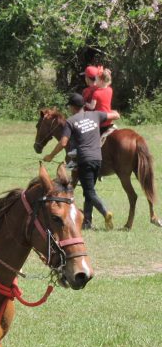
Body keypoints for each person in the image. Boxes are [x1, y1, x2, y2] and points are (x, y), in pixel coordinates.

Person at [43, 93, 120, 230]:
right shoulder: (96, 115)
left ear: (72, 107)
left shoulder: (71, 121)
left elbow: (63, 142)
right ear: (83, 105)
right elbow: (115, 116)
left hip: (84, 160)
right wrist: (114, 112)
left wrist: (51, 155)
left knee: (89, 192)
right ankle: (87, 222)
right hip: (98, 159)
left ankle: (105, 212)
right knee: (89, 190)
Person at [88, 67, 115, 134]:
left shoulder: (96, 93)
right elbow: (108, 82)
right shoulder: (110, 90)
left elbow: (92, 107)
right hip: (109, 118)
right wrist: (107, 74)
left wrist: (85, 103)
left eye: (96, 80)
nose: (95, 82)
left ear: (101, 81)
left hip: (101, 120)